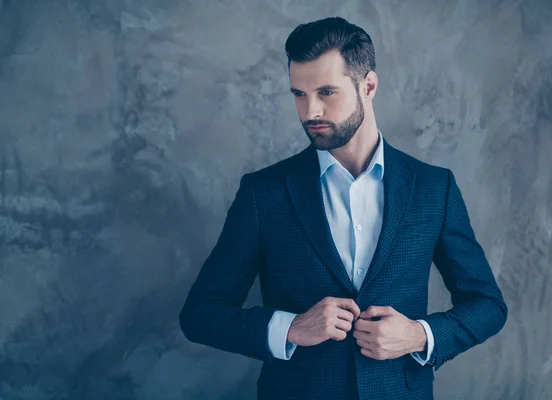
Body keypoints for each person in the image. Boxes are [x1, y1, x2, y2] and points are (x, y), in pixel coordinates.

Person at [178, 16, 508, 400]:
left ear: (368, 85)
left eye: (326, 92)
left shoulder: (434, 189)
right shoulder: (262, 193)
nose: (310, 111)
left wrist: (420, 335)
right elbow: (201, 314)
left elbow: (487, 305)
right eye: (299, 94)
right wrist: (290, 328)